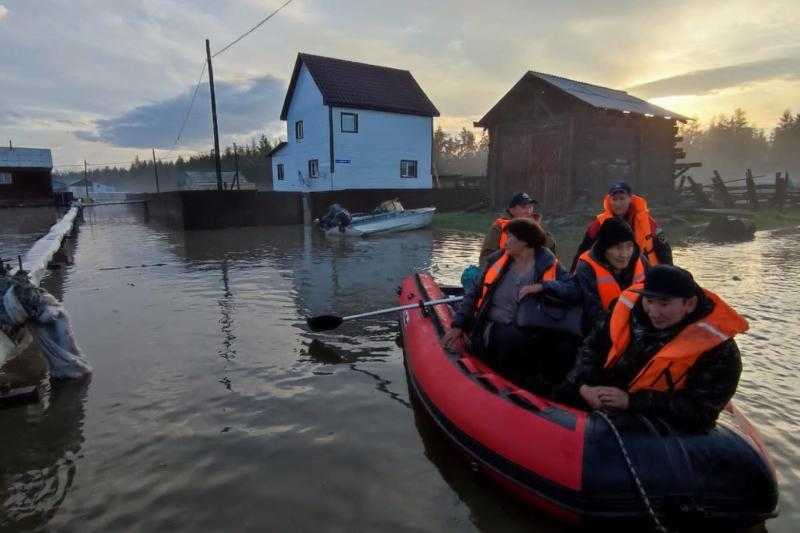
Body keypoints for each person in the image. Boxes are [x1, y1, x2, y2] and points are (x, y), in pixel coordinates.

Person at [554, 265, 747, 431]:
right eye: (649, 301)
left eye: (664, 303)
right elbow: (591, 348)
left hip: (653, 417)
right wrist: (584, 386)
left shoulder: (720, 350)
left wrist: (631, 402)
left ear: (689, 303)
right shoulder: (625, 312)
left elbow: (700, 411)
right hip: (601, 392)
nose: (654, 312)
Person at [443, 218, 572, 387]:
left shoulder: (549, 264)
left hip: (533, 331)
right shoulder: (496, 261)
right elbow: (473, 294)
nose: (506, 241)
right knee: (511, 338)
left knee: (562, 347)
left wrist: (543, 286)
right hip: (494, 327)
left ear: (525, 242)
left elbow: (571, 288)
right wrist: (458, 325)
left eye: (511, 237)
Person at [540, 218, 648, 332]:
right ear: (604, 248)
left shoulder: (640, 259)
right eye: (617, 247)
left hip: (640, 327)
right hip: (602, 331)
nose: (624, 254)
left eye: (629, 246)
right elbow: (594, 314)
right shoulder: (586, 267)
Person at [571, 181, 670, 270]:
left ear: (630, 198)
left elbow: (664, 249)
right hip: (614, 271)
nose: (618, 204)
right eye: (614, 199)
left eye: (622, 199)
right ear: (609, 200)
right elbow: (582, 250)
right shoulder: (599, 223)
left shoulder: (648, 221)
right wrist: (573, 275)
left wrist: (670, 276)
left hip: (647, 272)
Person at [479, 192, 556, 267]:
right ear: (512, 210)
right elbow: (485, 258)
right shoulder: (498, 227)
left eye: (530, 207)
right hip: (506, 273)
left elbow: (551, 248)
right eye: (524, 207)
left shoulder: (538, 226)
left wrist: (537, 229)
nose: (528, 211)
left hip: (533, 273)